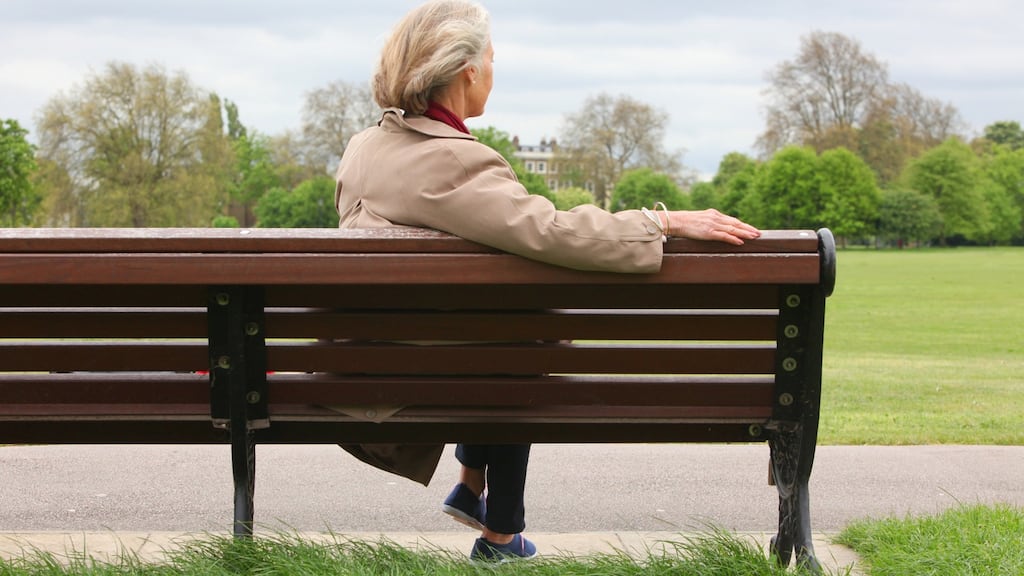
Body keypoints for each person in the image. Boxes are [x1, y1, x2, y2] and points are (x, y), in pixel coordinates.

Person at [334, 0, 760, 561]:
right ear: (468, 72)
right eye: (491, 59)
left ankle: (475, 488)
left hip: (359, 367)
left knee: (509, 338)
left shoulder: (365, 147)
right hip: (414, 383)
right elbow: (553, 231)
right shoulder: (453, 162)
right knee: (527, 342)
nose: (493, 69)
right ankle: (500, 534)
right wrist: (661, 221)